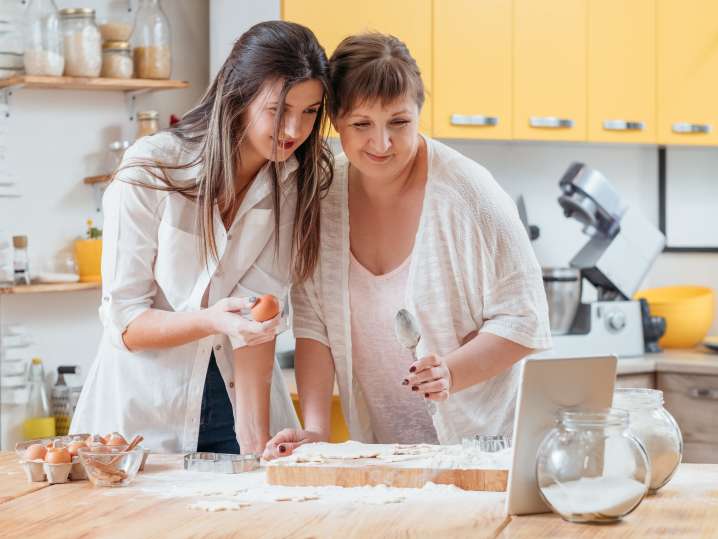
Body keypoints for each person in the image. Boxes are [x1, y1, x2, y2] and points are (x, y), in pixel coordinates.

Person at [264, 33, 551, 458]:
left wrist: (451, 372)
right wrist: (317, 431)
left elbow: (525, 321)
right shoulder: (322, 196)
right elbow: (314, 327)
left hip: (487, 449)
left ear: (419, 113)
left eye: (399, 123)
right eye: (362, 124)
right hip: (387, 452)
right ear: (335, 120)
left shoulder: (469, 193)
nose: (381, 144)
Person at [71, 21, 334, 455]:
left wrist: (254, 448)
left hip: (235, 404)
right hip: (141, 418)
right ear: (239, 96)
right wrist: (212, 320)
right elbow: (126, 321)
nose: (294, 129)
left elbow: (257, 327)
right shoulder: (152, 170)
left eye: (309, 112)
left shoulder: (294, 185)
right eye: (279, 110)